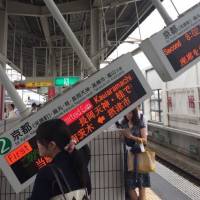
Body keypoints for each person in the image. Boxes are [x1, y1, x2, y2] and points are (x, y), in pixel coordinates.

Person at [29, 119, 91, 200]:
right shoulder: (79, 164)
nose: (37, 144)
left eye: (39, 141)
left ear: (52, 145)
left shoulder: (46, 173)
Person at [122, 107, 150, 200]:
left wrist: (131, 137)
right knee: (129, 185)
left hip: (139, 156)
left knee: (141, 184)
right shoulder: (123, 124)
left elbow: (145, 141)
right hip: (128, 156)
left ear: (134, 114)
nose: (128, 115)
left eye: (130, 113)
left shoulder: (139, 123)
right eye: (127, 113)